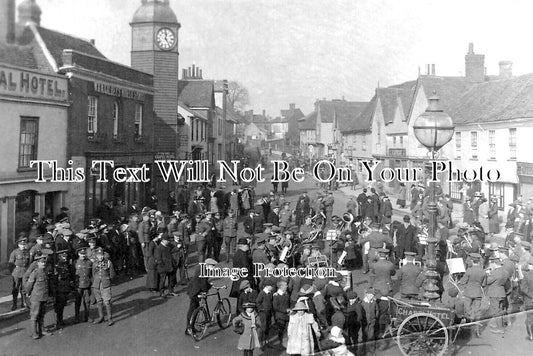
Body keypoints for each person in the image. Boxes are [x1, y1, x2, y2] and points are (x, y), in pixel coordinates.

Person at [24, 252, 52, 339]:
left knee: (42, 314)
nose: (43, 264)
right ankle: (34, 333)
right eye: (41, 262)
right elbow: (29, 286)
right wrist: (27, 295)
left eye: (44, 262)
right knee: (34, 315)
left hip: (43, 296)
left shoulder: (45, 272)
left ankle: (42, 330)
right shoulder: (34, 273)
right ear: (37, 263)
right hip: (36, 297)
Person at [186, 258, 216, 335]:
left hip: (193, 289)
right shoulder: (204, 271)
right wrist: (208, 288)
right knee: (193, 309)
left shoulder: (202, 268)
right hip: (195, 291)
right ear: (208, 265)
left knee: (194, 308)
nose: (214, 268)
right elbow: (203, 284)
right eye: (213, 266)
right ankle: (189, 328)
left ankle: (191, 327)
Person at [459, 252, 486, 337]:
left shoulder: (469, 270)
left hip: (468, 293)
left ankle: (466, 331)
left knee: (467, 311)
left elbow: (463, 281)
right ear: (478, 261)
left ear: (472, 260)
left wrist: (460, 281)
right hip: (478, 293)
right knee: (477, 311)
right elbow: (484, 284)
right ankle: (477, 331)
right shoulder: (483, 271)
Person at [92, 247, 116, 326]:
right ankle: (101, 317)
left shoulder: (108, 262)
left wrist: (108, 280)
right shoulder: (94, 263)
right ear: (96, 256)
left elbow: (112, 274)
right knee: (99, 301)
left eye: (101, 255)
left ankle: (109, 318)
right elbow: (93, 274)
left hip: (105, 284)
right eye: (99, 255)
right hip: (96, 284)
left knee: (107, 302)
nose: (100, 257)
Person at [53, 249, 75, 330]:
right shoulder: (57, 267)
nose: (65, 258)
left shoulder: (67, 265)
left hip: (66, 288)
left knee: (63, 305)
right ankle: (58, 322)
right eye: (63, 257)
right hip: (59, 289)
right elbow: (55, 280)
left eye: (66, 257)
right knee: (59, 306)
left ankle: (61, 321)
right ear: (59, 257)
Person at [9, 237, 30, 311]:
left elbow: (29, 262)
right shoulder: (14, 252)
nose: (23, 246)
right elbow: (11, 264)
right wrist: (12, 272)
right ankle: (14, 304)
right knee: (15, 288)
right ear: (18, 245)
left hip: (24, 272)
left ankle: (24, 303)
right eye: (21, 245)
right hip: (16, 272)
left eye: (24, 244)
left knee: (24, 288)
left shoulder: (27, 252)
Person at [74, 247, 92, 323]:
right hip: (78, 285)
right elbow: (72, 273)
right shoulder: (75, 262)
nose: (83, 255)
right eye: (81, 254)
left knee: (87, 301)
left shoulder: (89, 262)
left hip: (87, 284)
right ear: (78, 254)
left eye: (84, 254)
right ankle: (77, 317)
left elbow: (91, 273)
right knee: (78, 302)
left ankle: (87, 316)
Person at [155, 233, 175, 298]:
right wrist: (162, 265)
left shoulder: (168, 245)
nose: (168, 241)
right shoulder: (159, 248)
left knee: (171, 279)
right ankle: (162, 292)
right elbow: (158, 258)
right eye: (167, 240)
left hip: (170, 266)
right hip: (163, 267)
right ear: (163, 240)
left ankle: (171, 291)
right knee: (162, 281)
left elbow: (174, 249)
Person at [256, 280, 274, 349]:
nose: (272, 287)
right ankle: (261, 343)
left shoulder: (270, 293)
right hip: (263, 313)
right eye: (271, 286)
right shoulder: (262, 293)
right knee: (263, 328)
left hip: (268, 312)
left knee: (268, 327)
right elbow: (258, 302)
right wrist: (261, 309)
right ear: (267, 286)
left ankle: (266, 341)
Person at [272, 280, 290, 350]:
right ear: (281, 286)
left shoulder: (286, 294)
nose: (287, 286)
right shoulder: (276, 295)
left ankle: (285, 343)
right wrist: (285, 310)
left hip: (286, 315)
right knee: (281, 330)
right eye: (285, 285)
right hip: (280, 316)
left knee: (286, 330)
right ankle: (281, 343)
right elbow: (275, 307)